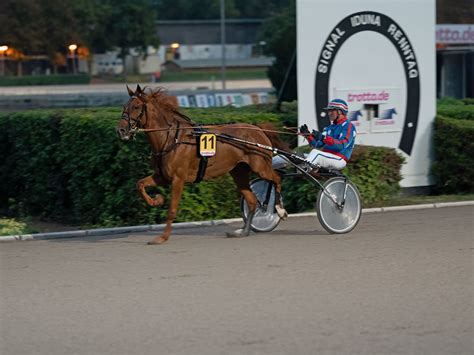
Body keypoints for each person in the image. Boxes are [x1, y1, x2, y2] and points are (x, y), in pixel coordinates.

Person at [272, 98, 356, 171]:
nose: (329, 113)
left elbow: (341, 145)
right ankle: (269, 165)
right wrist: (308, 135)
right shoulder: (329, 128)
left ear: (339, 111)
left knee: (316, 153)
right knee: (291, 155)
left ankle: (305, 168)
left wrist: (323, 138)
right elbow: (318, 145)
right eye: (329, 111)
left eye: (331, 110)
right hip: (325, 157)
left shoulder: (349, 126)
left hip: (339, 159)